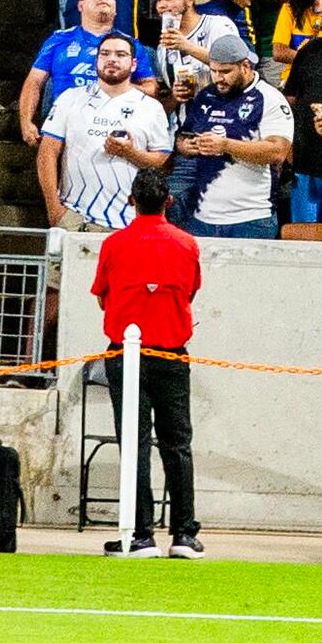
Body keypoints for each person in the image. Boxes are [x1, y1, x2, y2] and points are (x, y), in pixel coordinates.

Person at [87, 175, 204, 557]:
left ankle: (140, 533)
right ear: (168, 200)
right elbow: (189, 292)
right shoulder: (186, 244)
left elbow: (103, 297)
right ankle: (184, 533)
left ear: (131, 200)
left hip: (125, 354)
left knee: (134, 444)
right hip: (171, 353)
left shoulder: (114, 244)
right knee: (178, 444)